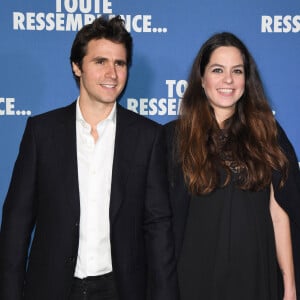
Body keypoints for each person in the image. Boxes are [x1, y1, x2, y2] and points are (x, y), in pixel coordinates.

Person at [0, 15, 179, 300]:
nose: (112, 73)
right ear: (76, 66)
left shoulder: (148, 137)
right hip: (51, 288)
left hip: (120, 290)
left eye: (119, 63)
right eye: (100, 62)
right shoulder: (42, 133)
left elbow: (158, 227)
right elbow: (16, 224)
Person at [165, 32, 300, 300]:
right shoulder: (173, 138)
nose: (228, 80)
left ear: (246, 81)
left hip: (255, 277)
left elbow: (279, 214)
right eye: (218, 70)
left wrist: (289, 285)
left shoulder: (268, 133)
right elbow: (161, 222)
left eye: (237, 71)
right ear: (202, 79)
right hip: (194, 279)